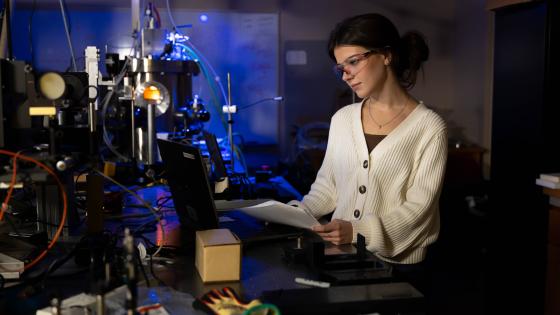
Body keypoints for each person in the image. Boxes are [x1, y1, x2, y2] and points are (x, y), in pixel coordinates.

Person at [287, 13, 447, 289]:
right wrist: (294, 214)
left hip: (399, 267)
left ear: (386, 55)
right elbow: (328, 187)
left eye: (353, 62)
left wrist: (356, 231)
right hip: (346, 258)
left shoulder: (429, 127)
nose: (346, 75)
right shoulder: (343, 118)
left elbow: (419, 209)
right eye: (340, 68)